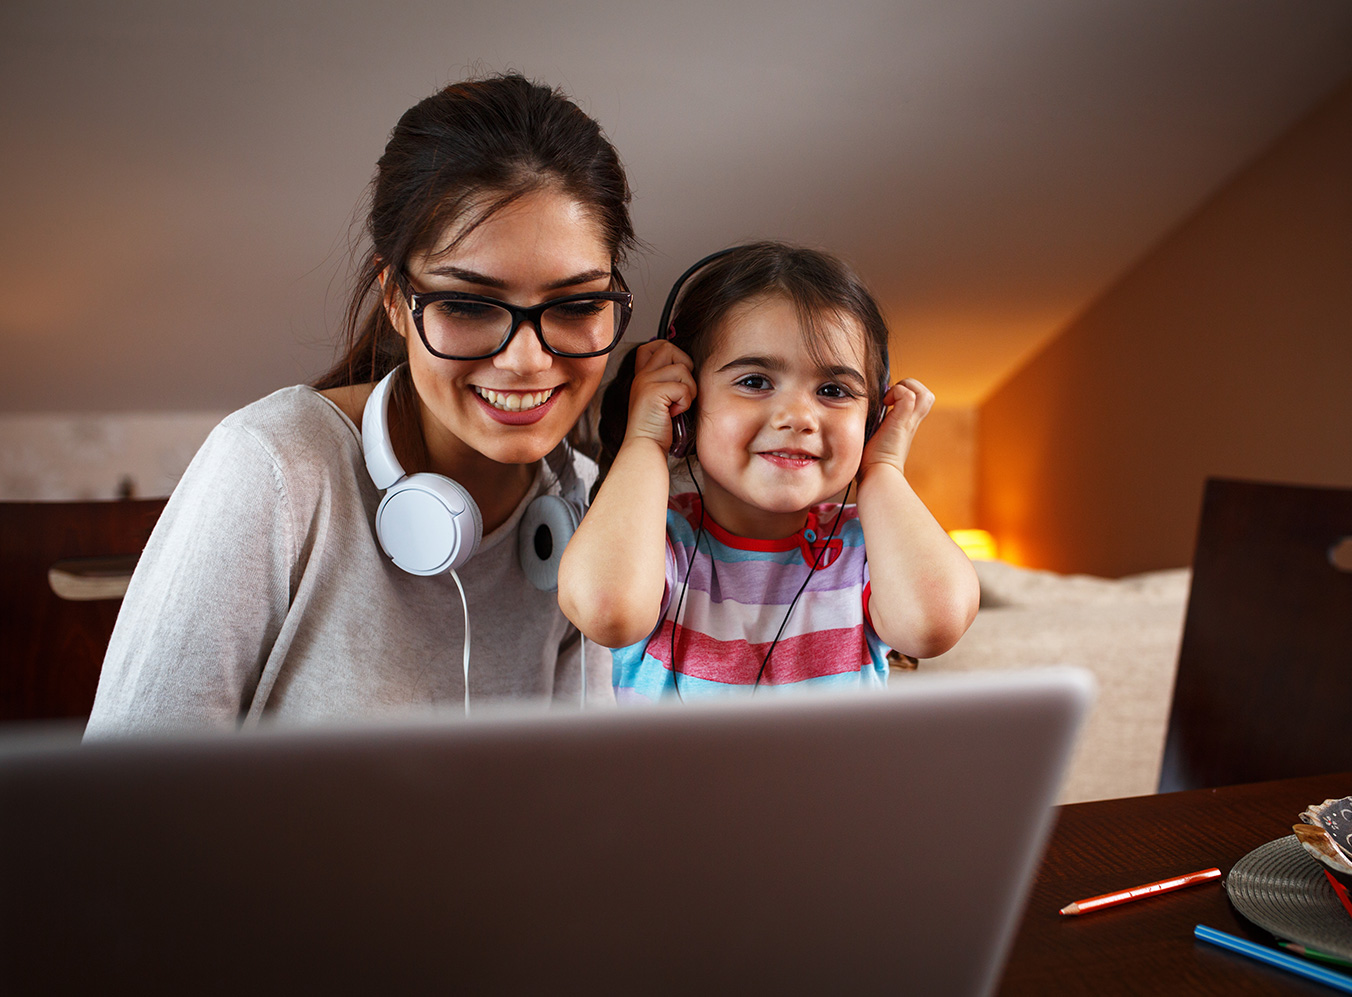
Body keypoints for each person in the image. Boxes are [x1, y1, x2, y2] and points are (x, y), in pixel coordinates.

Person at [87, 74, 635, 734]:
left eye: (577, 305)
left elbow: (592, 802)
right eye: (466, 303)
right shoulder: (274, 467)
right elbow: (123, 816)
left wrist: (651, 440)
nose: (526, 359)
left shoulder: (588, 507)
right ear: (394, 300)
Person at [557, 242, 979, 701]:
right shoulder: (654, 542)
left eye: (834, 390)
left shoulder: (867, 549)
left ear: (873, 418)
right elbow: (605, 609)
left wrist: (882, 468)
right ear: (687, 404)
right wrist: (645, 441)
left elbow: (935, 624)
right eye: (755, 381)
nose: (798, 416)